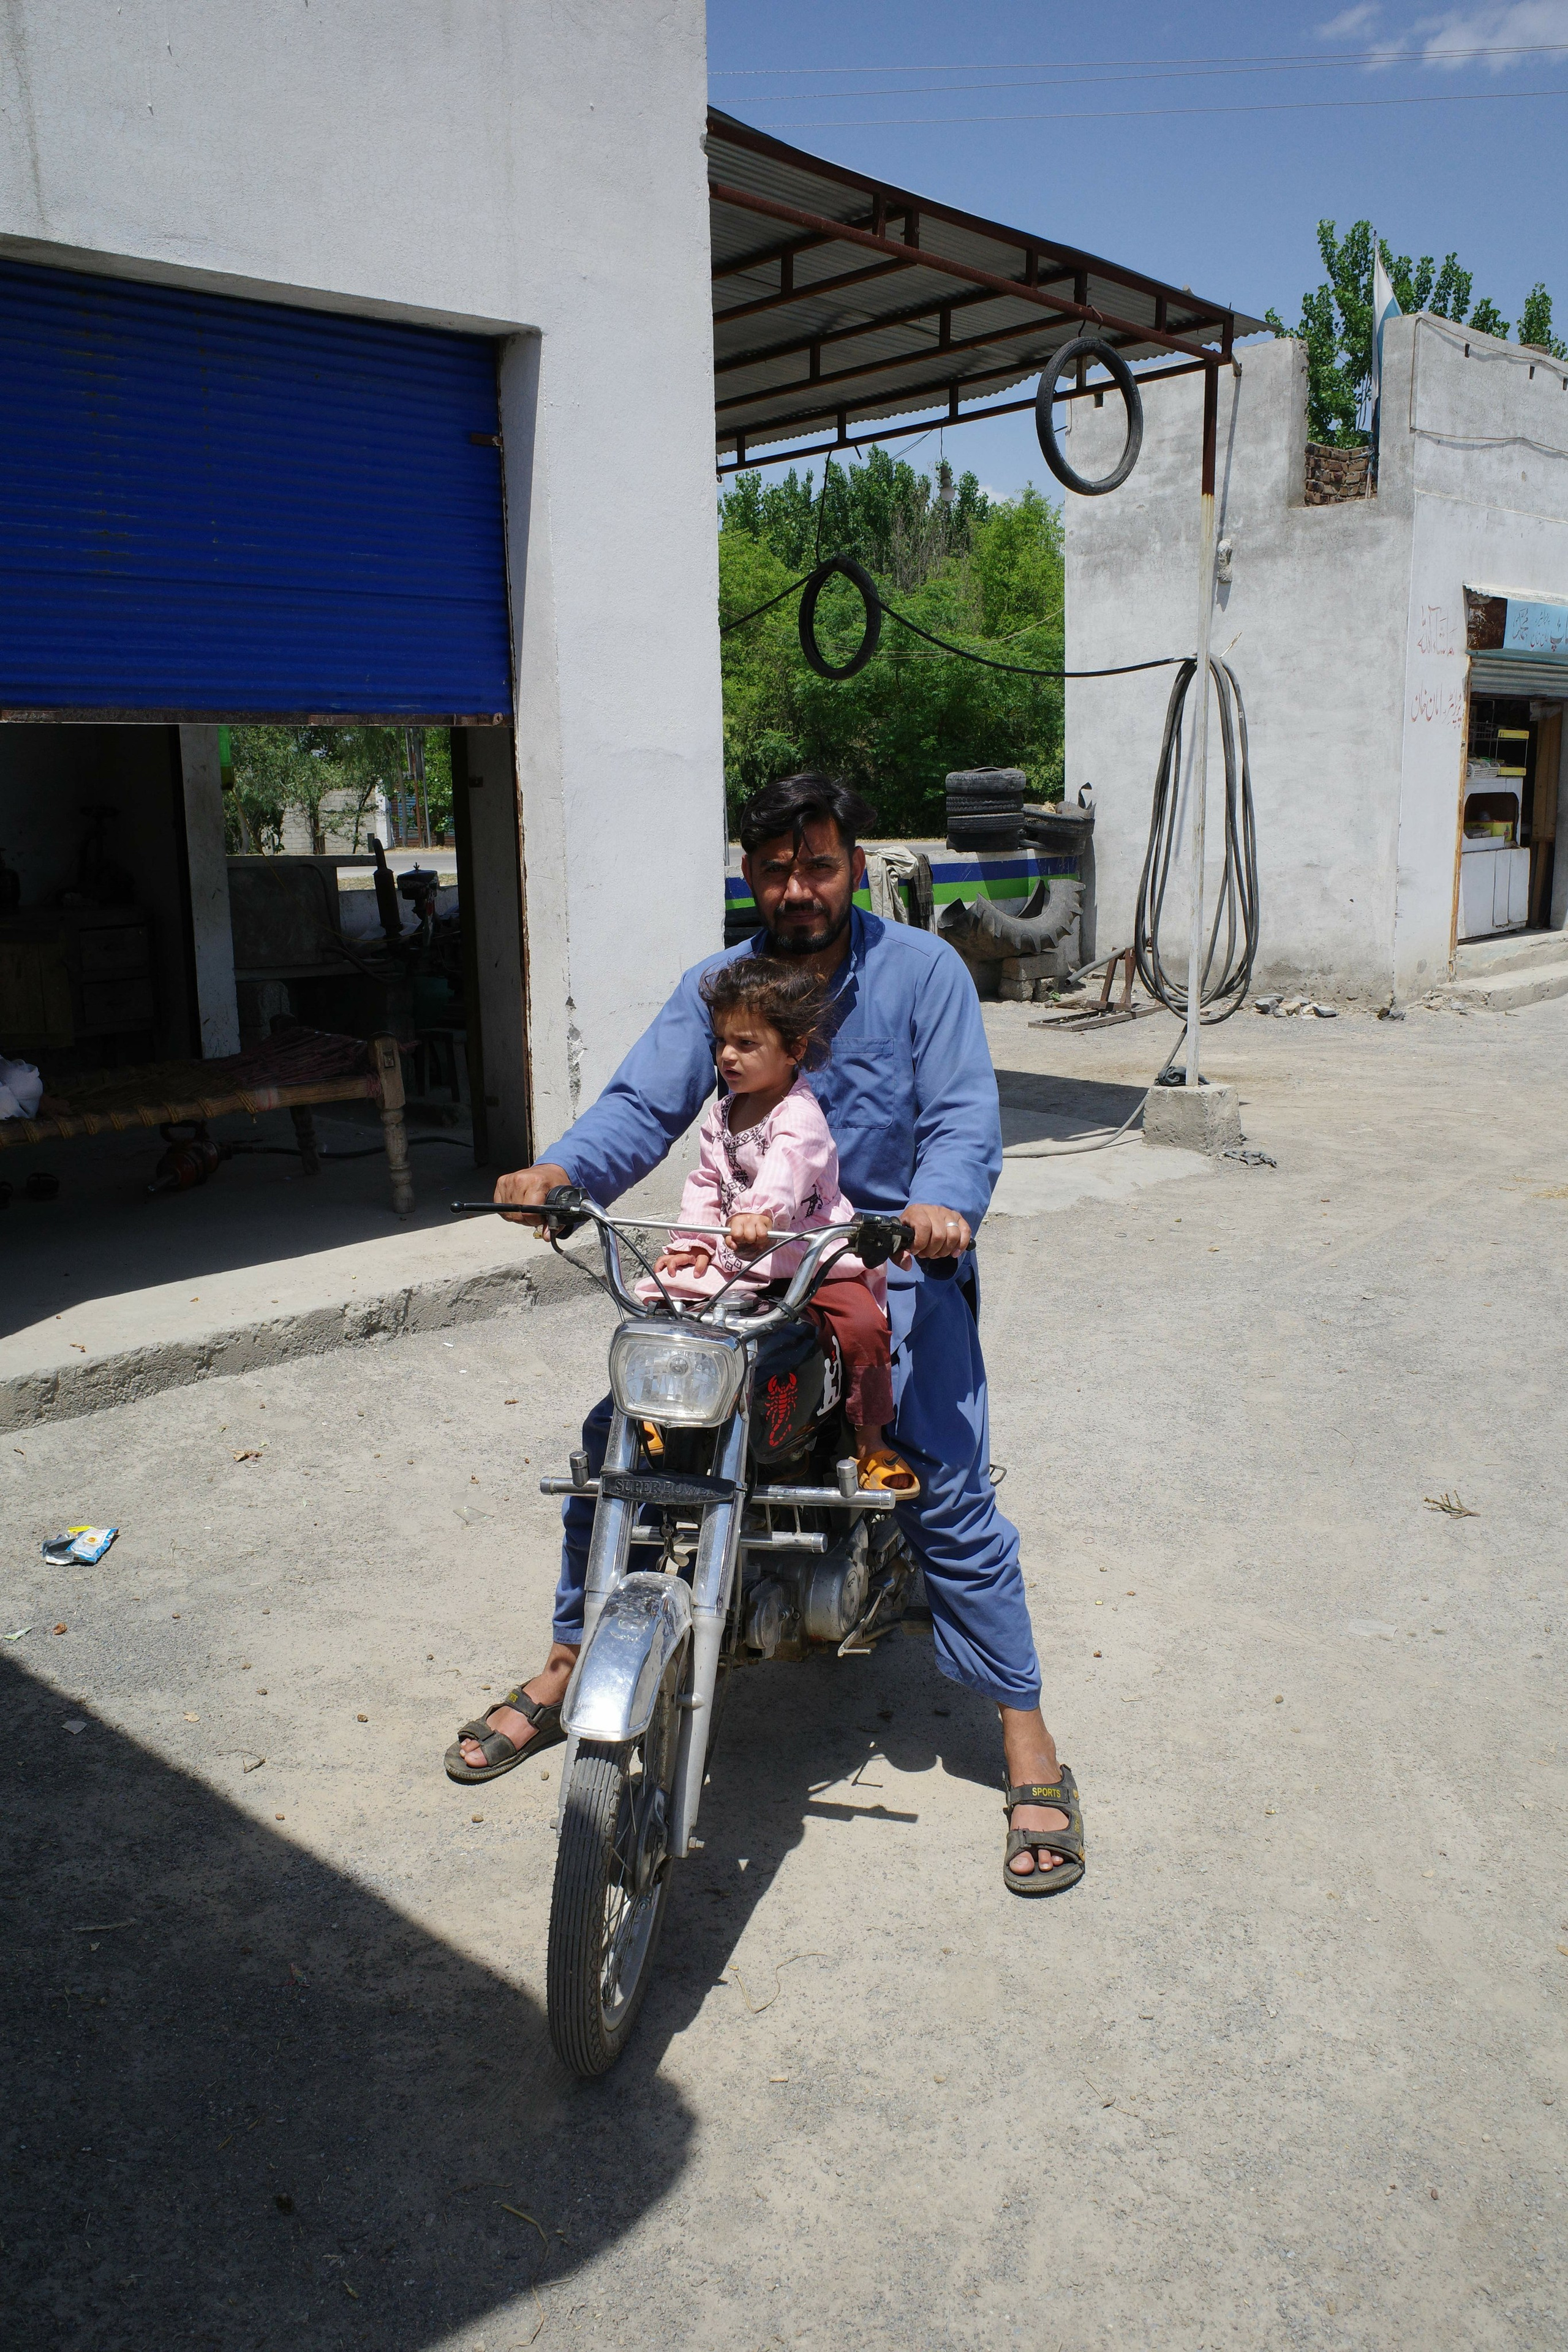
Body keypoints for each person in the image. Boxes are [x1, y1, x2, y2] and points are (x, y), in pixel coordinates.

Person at [445, 771, 1084, 1894]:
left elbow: (962, 1123)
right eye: (776, 868)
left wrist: (939, 1212)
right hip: (742, 1274)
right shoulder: (725, 986)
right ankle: (563, 1665)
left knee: (941, 1482)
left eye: (819, 865)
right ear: (750, 872)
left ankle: (1027, 1735)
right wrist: (560, 1172)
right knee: (618, 1449)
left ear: (852, 867)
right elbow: (645, 1106)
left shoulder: (923, 973)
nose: (798, 887)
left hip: (885, 1269)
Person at [649, 956, 917, 1493]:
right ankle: (663, 1404)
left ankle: (871, 1441)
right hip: (746, 1253)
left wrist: (759, 1212)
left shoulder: (798, 1114)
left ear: (794, 1049)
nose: (727, 1055)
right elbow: (706, 1181)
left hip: (807, 1250)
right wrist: (695, 1242)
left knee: (862, 1324)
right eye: (722, 1041)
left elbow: (788, 1168)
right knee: (667, 1301)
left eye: (746, 1044)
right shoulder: (722, 1113)